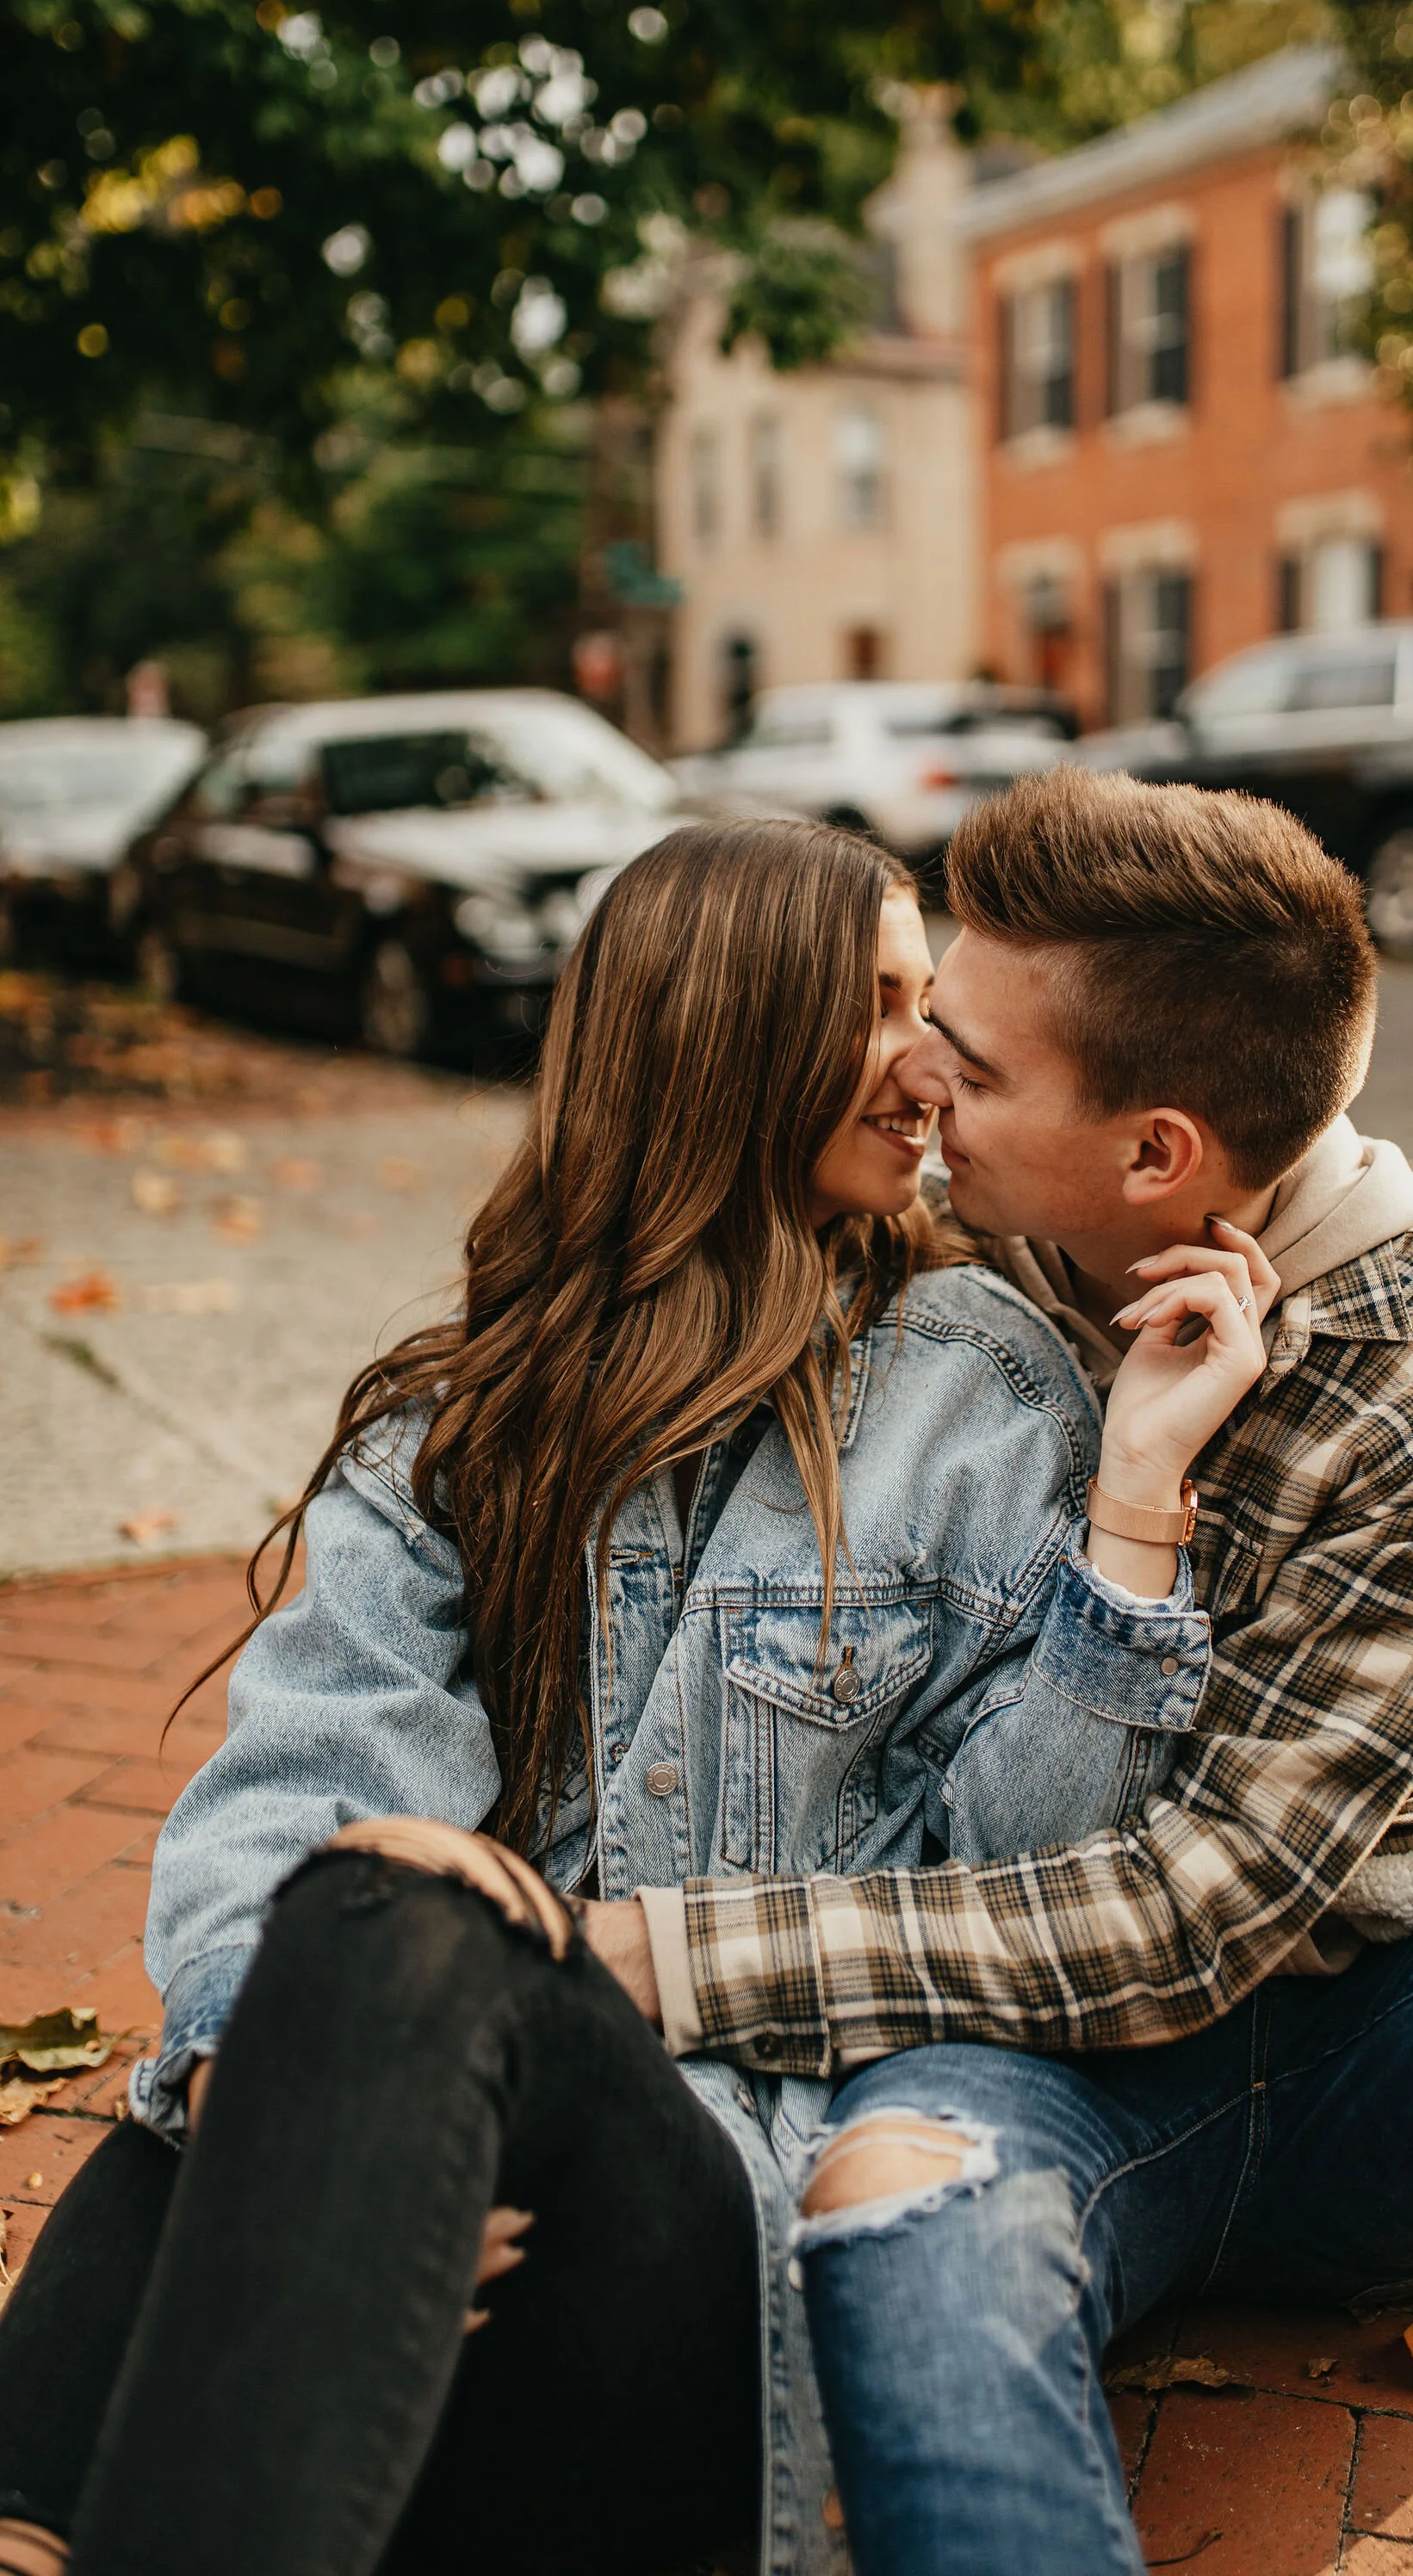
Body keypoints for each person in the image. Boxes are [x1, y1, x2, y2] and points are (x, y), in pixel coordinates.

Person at [0, 813, 1273, 2576]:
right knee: (292, 1988)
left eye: (930, 1008)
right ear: (721, 1028)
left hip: (707, 2197)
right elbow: (300, 1777)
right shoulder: (466, 1424)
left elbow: (1013, 1881)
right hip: (435, 2117)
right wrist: (286, 2113)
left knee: (393, 1910)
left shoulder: (986, 1404)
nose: (927, 1061)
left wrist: (1133, 1510)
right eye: (880, 1002)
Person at [574, 771, 1413, 2576]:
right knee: (899, 2206)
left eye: (971, 1066)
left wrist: (672, 1955)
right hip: (1017, 2067)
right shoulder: (930, 1241)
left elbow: (1196, 1909)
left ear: (1156, 1155)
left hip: (1377, 2034)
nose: (916, 1081)